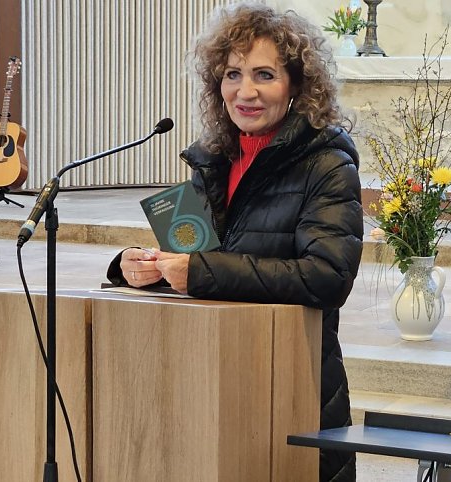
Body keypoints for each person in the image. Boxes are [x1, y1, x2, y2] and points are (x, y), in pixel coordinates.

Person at [107, 3, 363, 481]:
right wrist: (141, 268)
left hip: (290, 385)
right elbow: (201, 262)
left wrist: (200, 272)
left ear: (296, 85)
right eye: (232, 74)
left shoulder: (327, 164)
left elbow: (328, 278)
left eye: (264, 74)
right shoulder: (214, 160)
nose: (245, 91)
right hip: (207, 380)